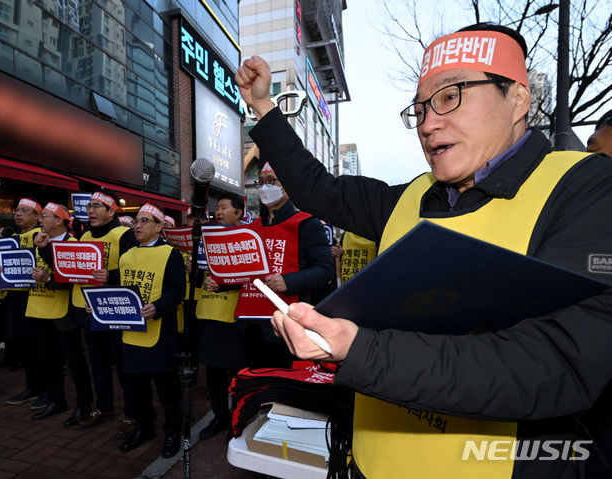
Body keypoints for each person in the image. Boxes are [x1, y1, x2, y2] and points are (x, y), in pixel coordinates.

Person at [237, 23, 612, 478]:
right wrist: (262, 106)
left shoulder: (585, 189)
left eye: (450, 95)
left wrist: (357, 349)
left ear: (518, 98)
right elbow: (319, 189)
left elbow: (557, 364)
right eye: (419, 108)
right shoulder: (410, 197)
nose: (429, 123)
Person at [233, 161, 335, 368]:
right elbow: (242, 272)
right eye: (260, 182)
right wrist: (221, 281)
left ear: (287, 185)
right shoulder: (251, 228)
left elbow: (325, 270)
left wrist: (288, 282)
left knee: (281, 389)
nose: (264, 187)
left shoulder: (307, 224)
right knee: (252, 386)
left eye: (271, 181)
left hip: (286, 324)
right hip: (250, 321)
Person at [117, 203, 185, 457]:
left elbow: (177, 292)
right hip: (132, 333)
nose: (138, 225)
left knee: (167, 390)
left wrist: (157, 307)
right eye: (136, 220)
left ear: (159, 226)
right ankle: (145, 428)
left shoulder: (171, 254)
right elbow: (120, 291)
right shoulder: (126, 256)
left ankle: (172, 432)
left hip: (160, 333)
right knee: (136, 389)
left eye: (145, 221)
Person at [70, 188, 137, 428]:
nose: (91, 211)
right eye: (89, 206)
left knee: (123, 366)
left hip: (114, 310)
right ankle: (104, 408)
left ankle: (131, 414)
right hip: (88, 309)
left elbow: (134, 270)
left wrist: (111, 275)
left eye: (97, 206)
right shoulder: (85, 236)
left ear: (112, 210)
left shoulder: (124, 234)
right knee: (97, 364)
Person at [26, 203, 95, 425]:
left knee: (75, 362)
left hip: (64, 314)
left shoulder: (74, 244)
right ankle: (56, 400)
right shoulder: (36, 241)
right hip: (39, 309)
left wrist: (48, 279)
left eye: (44, 216)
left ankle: (84, 405)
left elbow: (73, 277)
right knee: (48, 360)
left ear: (59, 221)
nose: (40, 220)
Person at [196, 192, 247, 439]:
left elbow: (250, 276)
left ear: (239, 213)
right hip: (208, 311)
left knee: (235, 373)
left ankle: (238, 420)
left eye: (225, 207)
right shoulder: (205, 237)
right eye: (218, 208)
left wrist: (225, 285)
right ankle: (219, 416)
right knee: (213, 371)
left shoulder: (246, 238)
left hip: (235, 317)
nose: (218, 211)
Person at [0, 198, 46, 410]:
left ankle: (44, 389)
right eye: (17, 210)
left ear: (38, 216)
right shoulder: (11, 237)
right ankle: (32, 386)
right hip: (15, 297)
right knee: (23, 344)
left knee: (39, 346)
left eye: (25, 211)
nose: (18, 214)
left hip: (37, 296)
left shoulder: (41, 237)